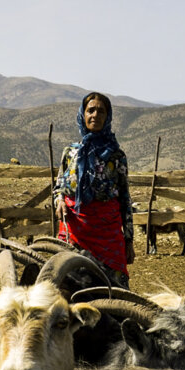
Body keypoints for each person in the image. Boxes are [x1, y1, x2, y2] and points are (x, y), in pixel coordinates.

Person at [53, 92, 134, 287]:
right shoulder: (70, 153)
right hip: (74, 231)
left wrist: (129, 241)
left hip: (108, 234)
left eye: (101, 111)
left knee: (114, 290)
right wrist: (60, 201)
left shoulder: (116, 155)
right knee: (71, 284)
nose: (95, 115)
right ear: (83, 114)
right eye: (91, 110)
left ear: (108, 117)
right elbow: (59, 188)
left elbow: (124, 198)